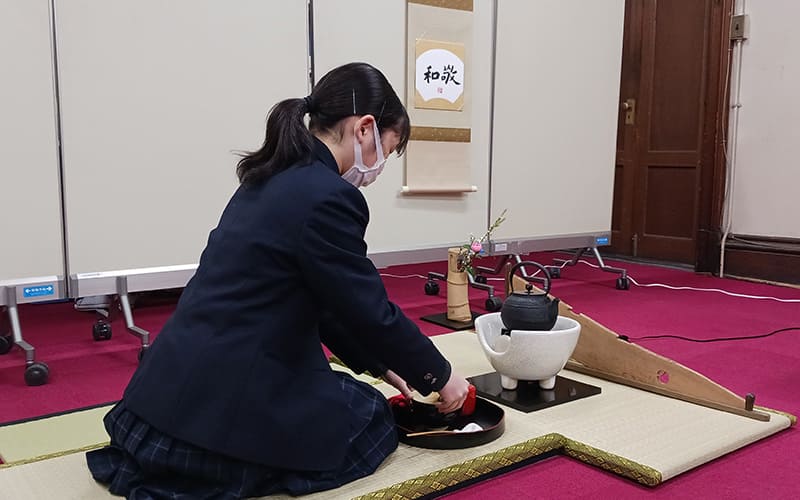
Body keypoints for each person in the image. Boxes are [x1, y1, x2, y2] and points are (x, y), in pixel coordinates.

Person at [86, 62, 471, 499]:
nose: (381, 169)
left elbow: (322, 299)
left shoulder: (269, 175)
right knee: (369, 417)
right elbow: (368, 309)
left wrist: (385, 364)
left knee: (344, 387)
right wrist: (440, 375)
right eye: (389, 147)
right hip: (227, 402)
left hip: (161, 397)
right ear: (364, 129)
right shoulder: (330, 196)